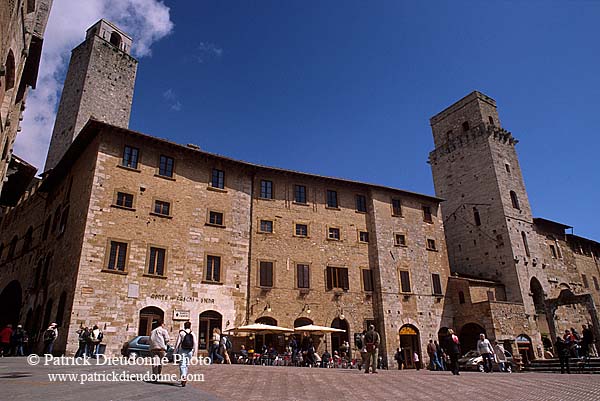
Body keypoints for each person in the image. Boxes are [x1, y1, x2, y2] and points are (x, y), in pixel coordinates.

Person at [174, 321, 197, 387]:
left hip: (183, 350)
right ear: (190, 326)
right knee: (186, 364)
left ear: (184, 326)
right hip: (190, 350)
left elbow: (178, 343)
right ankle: (184, 377)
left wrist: (175, 351)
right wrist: (194, 351)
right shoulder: (192, 333)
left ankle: (183, 377)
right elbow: (195, 343)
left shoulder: (181, 333)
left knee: (182, 364)